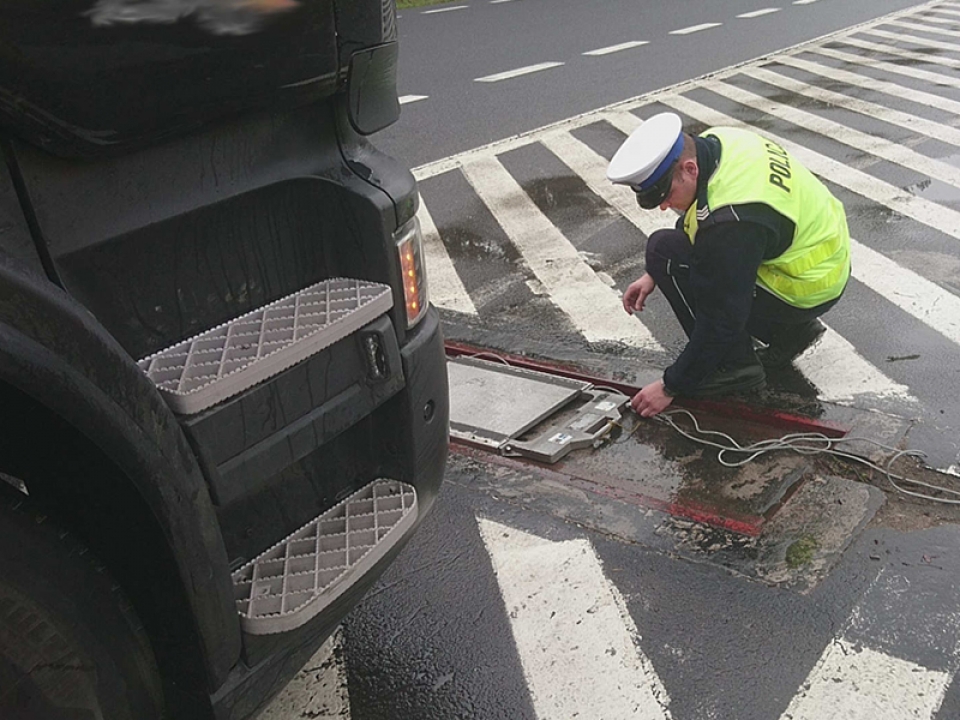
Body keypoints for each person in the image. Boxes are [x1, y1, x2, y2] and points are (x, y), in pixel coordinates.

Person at [607, 112, 850, 418]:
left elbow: (722, 318)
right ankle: (790, 333)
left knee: (665, 252)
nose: (665, 206)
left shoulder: (734, 221)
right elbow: (706, 208)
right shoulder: (719, 141)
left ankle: (735, 366)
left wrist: (671, 385)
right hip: (823, 261)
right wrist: (652, 275)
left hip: (802, 286)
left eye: (665, 194)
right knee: (666, 257)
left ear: (690, 168)